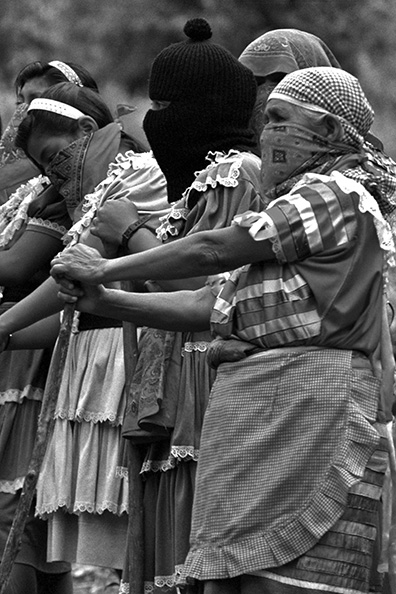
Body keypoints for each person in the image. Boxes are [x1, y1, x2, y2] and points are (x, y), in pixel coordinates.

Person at [51, 67, 396, 594]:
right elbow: (207, 301)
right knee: (227, 578)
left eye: (282, 120)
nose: (268, 133)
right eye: (267, 120)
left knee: (290, 578)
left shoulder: (336, 195)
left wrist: (103, 269)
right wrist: (107, 300)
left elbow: (216, 248)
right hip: (250, 414)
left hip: (311, 404)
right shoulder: (284, 210)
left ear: (328, 133)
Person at [84, 17, 262, 593]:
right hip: (173, 376)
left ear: (202, 108)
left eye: (166, 106)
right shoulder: (194, 186)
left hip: (206, 379)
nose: (155, 122)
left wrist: (128, 232)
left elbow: (210, 284)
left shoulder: (238, 174)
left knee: (195, 529)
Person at [0, 80, 169, 577]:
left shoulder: (140, 176)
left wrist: (6, 322)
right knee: (109, 540)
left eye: (56, 154)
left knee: (140, 527)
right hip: (97, 358)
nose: (54, 171)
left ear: (89, 130)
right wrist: (8, 335)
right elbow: (78, 309)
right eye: (44, 165)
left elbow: (76, 274)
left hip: (135, 358)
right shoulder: (88, 195)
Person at [0, 61, 99, 594]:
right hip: (20, 335)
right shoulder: (37, 181)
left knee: (19, 503)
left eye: (38, 97)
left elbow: (16, 268)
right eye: (20, 98)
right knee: (27, 514)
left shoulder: (69, 186)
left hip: (36, 347)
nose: (25, 108)